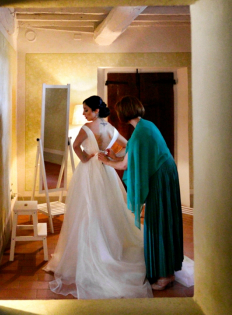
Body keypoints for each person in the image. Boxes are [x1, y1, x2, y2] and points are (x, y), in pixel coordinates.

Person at [44, 95, 153, 299]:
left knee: (87, 210)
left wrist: (85, 158)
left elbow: (75, 146)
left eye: (86, 110)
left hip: (89, 171)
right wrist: (113, 156)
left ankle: (90, 253)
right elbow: (128, 144)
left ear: (96, 111)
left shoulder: (87, 128)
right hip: (106, 170)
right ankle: (109, 247)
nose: (84, 113)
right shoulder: (111, 128)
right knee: (107, 209)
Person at [98, 95, 184, 291]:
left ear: (123, 113)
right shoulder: (147, 125)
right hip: (167, 172)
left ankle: (164, 275)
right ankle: (168, 267)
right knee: (166, 219)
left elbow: (125, 163)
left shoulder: (139, 134)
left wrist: (106, 161)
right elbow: (132, 153)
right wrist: (115, 155)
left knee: (157, 222)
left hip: (160, 178)